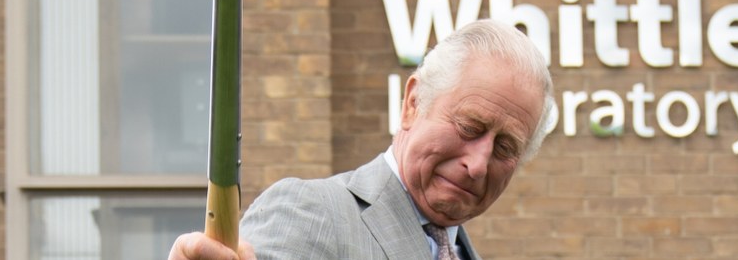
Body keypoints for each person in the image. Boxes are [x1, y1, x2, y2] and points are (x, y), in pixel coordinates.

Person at [168, 18, 556, 260]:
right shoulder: (311, 215)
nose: (477, 164)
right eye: (470, 127)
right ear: (413, 102)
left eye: (505, 149)